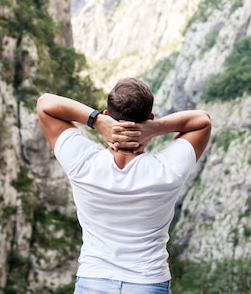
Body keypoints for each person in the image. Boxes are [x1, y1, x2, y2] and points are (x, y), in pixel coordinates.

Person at [36, 77, 211, 294]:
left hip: (94, 281)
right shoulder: (167, 170)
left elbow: (45, 104)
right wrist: (155, 128)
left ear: (109, 115)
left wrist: (97, 121)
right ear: (150, 118)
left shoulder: (82, 163)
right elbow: (202, 120)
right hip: (148, 283)